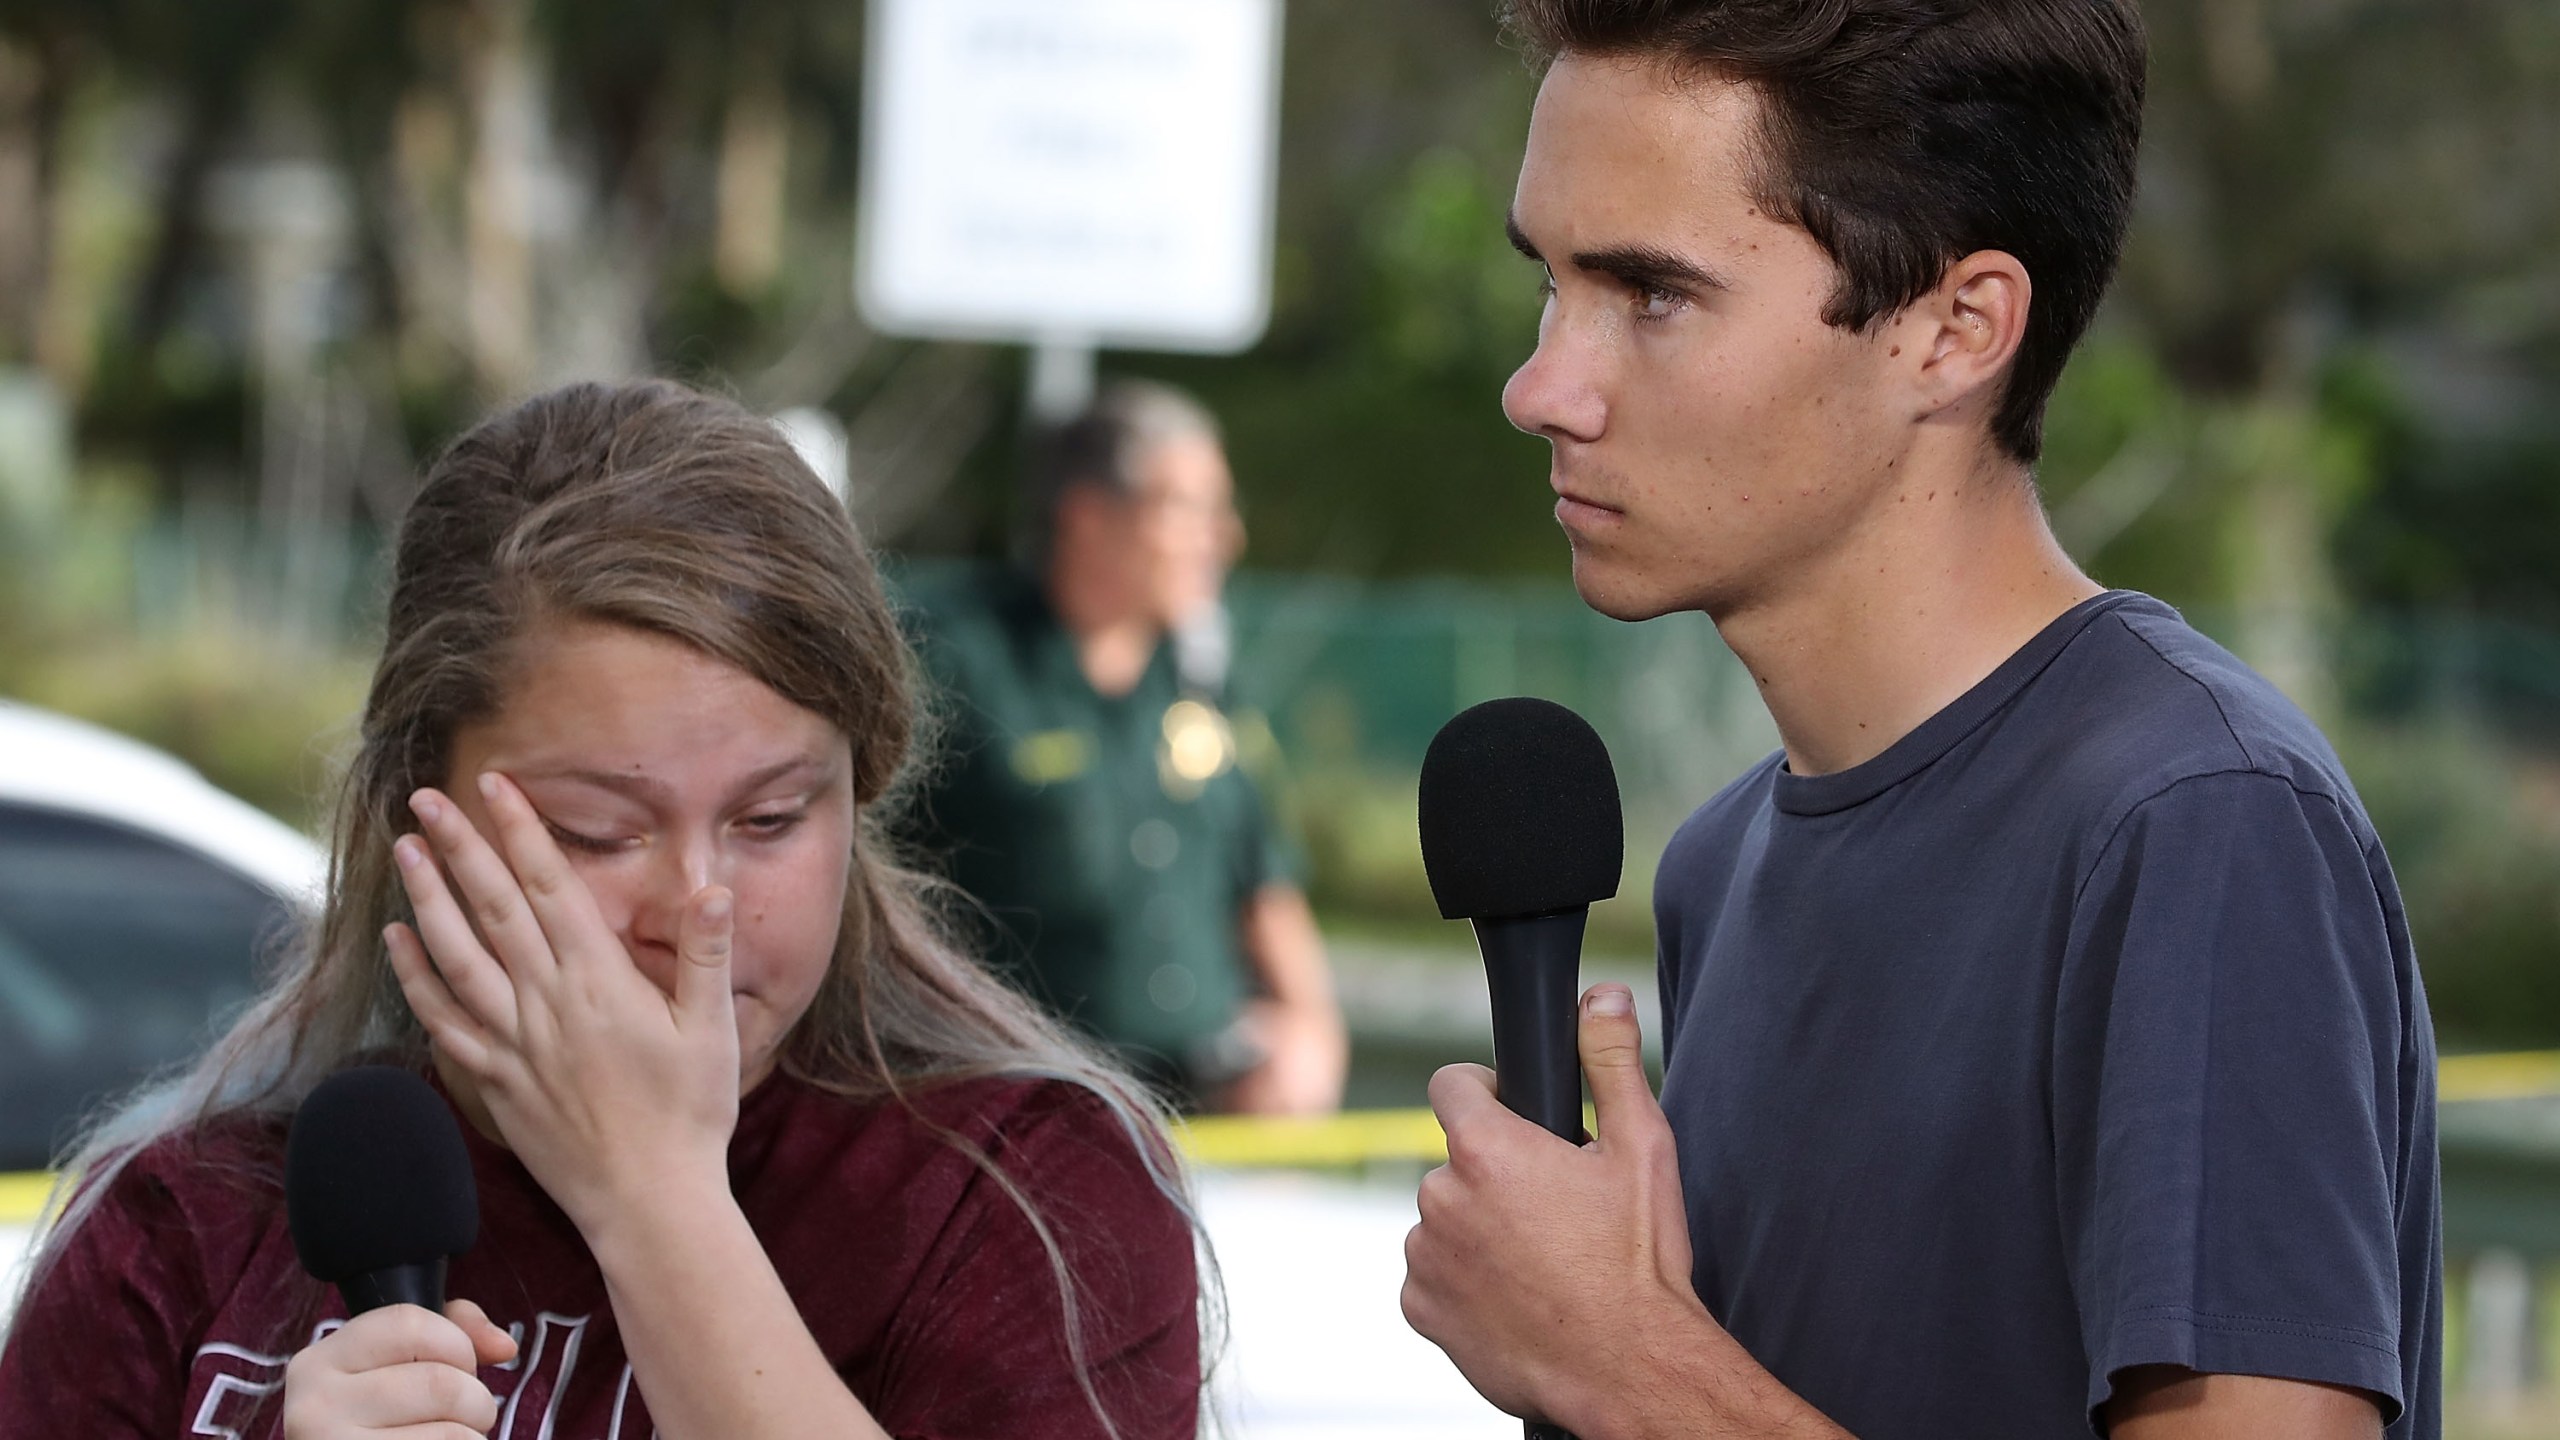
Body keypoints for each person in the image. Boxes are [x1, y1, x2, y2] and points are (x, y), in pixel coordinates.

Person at [1400, 5, 2440, 1440]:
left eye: (1650, 294)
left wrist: (1629, 1364)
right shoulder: (1723, 865)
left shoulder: (2197, 823)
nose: (1543, 387)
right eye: (1553, 283)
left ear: (1957, 330)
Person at [0, 381, 1201, 1438]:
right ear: (413, 813)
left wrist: (653, 1197)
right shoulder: (188, 1221)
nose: (698, 910)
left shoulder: (1020, 1192)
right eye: (596, 834)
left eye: (774, 818)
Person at [904, 380, 1347, 1115]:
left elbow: (1263, 879)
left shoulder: (1198, 678)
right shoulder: (954, 659)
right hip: (1013, 1108)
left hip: (1208, 1110)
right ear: (1087, 516)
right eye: (1190, 509)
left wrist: (1310, 1035)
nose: (1224, 537)